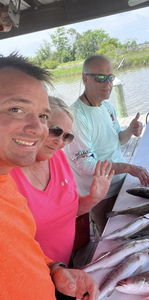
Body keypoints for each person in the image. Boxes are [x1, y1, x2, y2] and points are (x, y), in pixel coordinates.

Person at [0, 52, 100, 300]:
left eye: (43, 116)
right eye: (16, 108)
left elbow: (22, 246)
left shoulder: (5, 185)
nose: (37, 129)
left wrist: (53, 268)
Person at [11, 96, 114, 268]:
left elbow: (71, 209)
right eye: (55, 131)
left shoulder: (58, 157)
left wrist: (94, 198)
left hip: (65, 264)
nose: (60, 142)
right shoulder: (8, 175)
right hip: (34, 273)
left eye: (67, 136)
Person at [64, 54, 149, 235]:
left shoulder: (107, 107)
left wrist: (130, 131)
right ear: (85, 79)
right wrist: (127, 167)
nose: (108, 83)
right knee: (112, 240)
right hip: (100, 194)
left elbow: (118, 141)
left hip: (122, 183)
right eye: (101, 78)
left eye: (110, 77)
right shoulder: (77, 117)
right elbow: (86, 165)